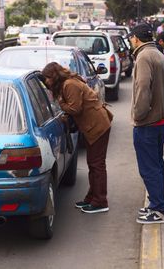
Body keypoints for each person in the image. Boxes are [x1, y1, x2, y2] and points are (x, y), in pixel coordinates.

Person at [41, 62, 113, 214]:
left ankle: (100, 201)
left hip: (97, 126)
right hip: (92, 125)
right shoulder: (68, 83)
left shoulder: (69, 84)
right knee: (93, 163)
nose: (46, 82)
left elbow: (75, 108)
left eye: (47, 78)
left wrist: (61, 103)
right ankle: (92, 197)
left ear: (54, 76)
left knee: (97, 164)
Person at [128, 23, 164, 224]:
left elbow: (143, 88)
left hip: (148, 122)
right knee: (156, 165)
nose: (130, 41)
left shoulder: (144, 57)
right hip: (160, 120)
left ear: (136, 38)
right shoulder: (159, 55)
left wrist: (138, 115)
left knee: (149, 168)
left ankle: (159, 208)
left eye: (131, 38)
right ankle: (157, 203)